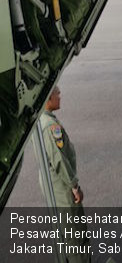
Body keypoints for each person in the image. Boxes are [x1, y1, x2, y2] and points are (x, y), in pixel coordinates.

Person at [39, 87, 91, 263]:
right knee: (75, 236)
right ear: (48, 98)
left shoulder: (41, 120)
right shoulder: (50, 126)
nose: (60, 97)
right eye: (57, 94)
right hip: (62, 188)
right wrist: (74, 186)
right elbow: (60, 160)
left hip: (53, 186)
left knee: (63, 234)